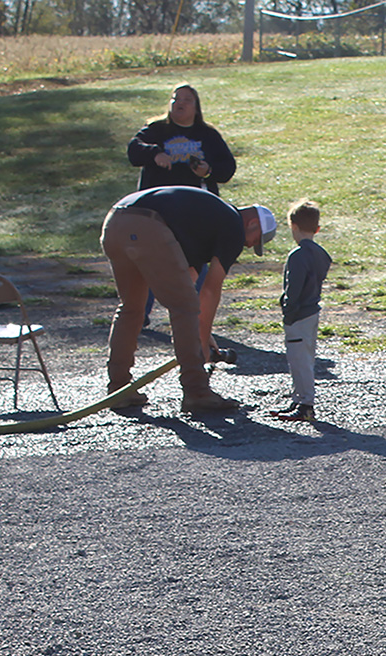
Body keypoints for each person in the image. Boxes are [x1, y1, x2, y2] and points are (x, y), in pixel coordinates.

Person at [100, 185, 277, 413]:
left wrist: (203, 333)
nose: (250, 245)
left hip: (115, 221)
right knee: (183, 308)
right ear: (252, 223)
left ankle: (119, 388)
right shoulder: (233, 224)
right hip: (146, 225)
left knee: (132, 308)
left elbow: (188, 284)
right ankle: (197, 391)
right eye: (256, 240)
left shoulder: (204, 220)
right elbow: (209, 291)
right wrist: (200, 345)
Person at [127, 83, 237, 328]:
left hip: (194, 213)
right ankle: (139, 315)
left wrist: (207, 170)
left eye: (187, 99)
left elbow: (227, 168)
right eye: (176, 98)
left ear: (196, 108)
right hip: (158, 211)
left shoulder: (207, 135)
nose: (180, 102)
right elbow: (134, 150)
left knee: (194, 261)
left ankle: (196, 315)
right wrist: (154, 153)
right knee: (152, 262)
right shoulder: (156, 130)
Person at [270, 199, 332, 423]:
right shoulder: (321, 255)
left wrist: (288, 311)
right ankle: (299, 399)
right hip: (312, 310)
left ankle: (305, 403)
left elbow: (292, 290)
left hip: (299, 314)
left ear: (292, 226)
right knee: (305, 356)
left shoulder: (297, 256)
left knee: (298, 359)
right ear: (317, 229)